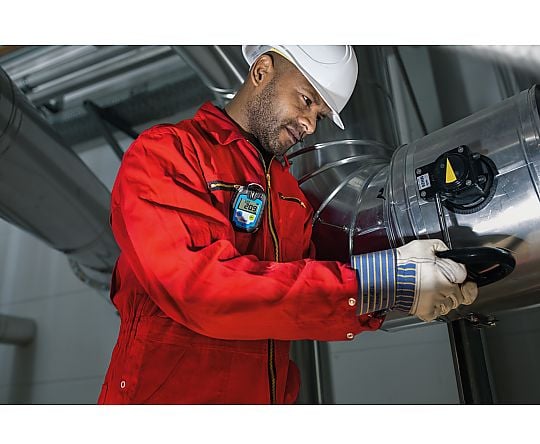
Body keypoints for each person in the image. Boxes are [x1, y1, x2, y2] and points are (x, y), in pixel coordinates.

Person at [97, 45, 478, 405]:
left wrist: (399, 294)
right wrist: (382, 282)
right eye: (307, 100)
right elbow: (201, 290)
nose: (310, 126)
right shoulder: (169, 152)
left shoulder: (290, 196)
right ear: (262, 70)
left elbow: (305, 293)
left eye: (320, 116)